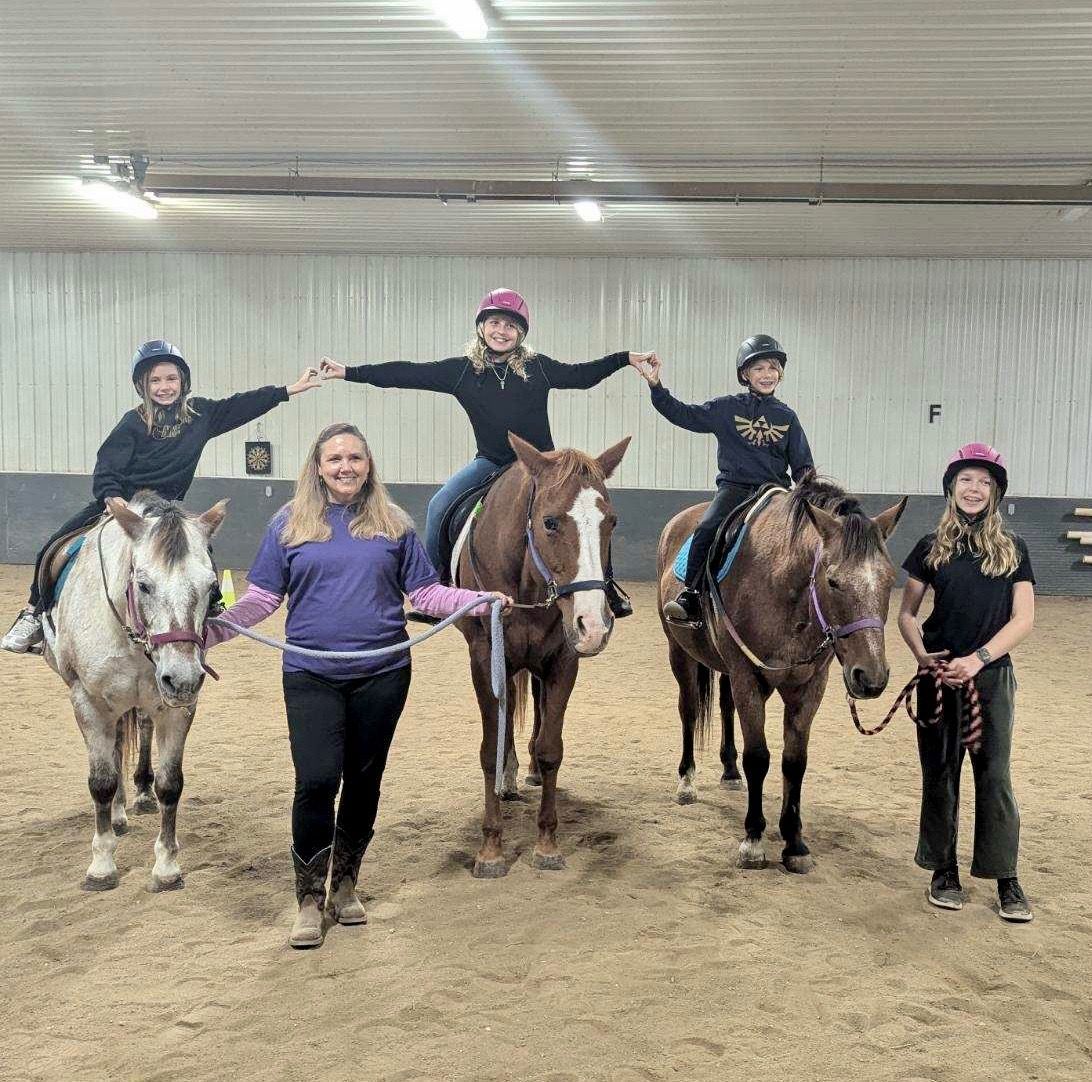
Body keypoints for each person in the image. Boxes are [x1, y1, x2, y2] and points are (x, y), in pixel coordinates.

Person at [205, 422, 510, 949]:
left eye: (355, 458)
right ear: (317, 467)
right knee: (317, 780)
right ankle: (307, 897)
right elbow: (261, 599)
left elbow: (425, 593)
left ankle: (345, 883)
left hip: (383, 674)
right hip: (310, 674)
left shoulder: (394, 525)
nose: (346, 467)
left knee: (365, 781)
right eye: (334, 459)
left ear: (369, 466)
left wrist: (474, 600)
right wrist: (212, 631)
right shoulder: (289, 524)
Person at [318, 288, 653, 617]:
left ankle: (607, 584)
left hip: (542, 467)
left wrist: (623, 359)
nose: (501, 331)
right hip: (490, 462)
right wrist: (349, 372)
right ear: (482, 327)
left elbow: (582, 376)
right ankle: (436, 587)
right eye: (494, 323)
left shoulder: (538, 367)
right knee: (438, 506)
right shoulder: (463, 371)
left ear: (521, 333)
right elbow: (407, 373)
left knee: (586, 514)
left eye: (510, 326)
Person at [2, 339, 321, 653]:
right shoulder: (132, 423)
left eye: (171, 378)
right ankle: (33, 613)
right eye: (155, 380)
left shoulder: (201, 416)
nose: (164, 386)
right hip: (123, 506)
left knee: (200, 547)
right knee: (53, 547)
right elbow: (107, 464)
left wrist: (288, 390)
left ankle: (209, 603)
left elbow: (241, 404)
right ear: (143, 385)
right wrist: (111, 496)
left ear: (183, 381)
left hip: (166, 508)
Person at [898, 443, 1036, 923]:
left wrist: (978, 660)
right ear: (951, 489)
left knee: (994, 777)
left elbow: (1023, 620)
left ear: (994, 492)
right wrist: (921, 654)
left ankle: (1005, 876)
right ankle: (943, 870)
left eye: (983, 482)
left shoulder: (1013, 549)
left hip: (991, 677)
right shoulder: (928, 548)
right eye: (965, 481)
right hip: (938, 677)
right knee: (940, 774)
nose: (973, 489)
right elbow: (908, 614)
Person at [639, 334, 814, 624]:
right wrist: (656, 386)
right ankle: (691, 594)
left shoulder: (788, 418)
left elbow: (803, 466)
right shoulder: (726, 408)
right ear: (745, 374)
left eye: (772, 368)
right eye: (759, 368)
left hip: (775, 493)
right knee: (707, 527)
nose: (767, 375)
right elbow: (682, 414)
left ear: (780, 374)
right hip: (735, 489)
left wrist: (812, 497)